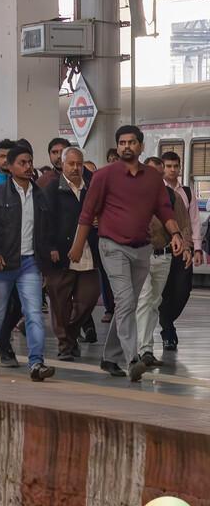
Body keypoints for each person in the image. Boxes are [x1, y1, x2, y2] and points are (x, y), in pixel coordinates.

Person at [69, 125, 182, 382]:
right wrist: (78, 245)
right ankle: (133, 359)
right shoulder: (104, 176)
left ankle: (110, 357)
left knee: (125, 306)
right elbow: (87, 213)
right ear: (117, 146)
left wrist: (176, 234)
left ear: (141, 146)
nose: (126, 146)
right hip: (112, 246)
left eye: (131, 142)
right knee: (126, 301)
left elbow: (164, 209)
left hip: (142, 249)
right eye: (122, 143)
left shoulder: (153, 179)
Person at [0, 144, 54, 381]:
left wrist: (47, 259)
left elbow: (45, 230)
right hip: (2, 264)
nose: (28, 166)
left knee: (33, 313)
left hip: (29, 263)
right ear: (9, 167)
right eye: (22, 162)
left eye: (30, 162)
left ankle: (36, 363)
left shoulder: (39, 195)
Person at [42, 145, 101, 361]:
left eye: (79, 164)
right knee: (59, 302)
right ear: (62, 165)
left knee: (89, 297)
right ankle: (65, 346)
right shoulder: (51, 190)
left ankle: (71, 333)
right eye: (71, 164)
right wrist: (50, 248)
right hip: (60, 255)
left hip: (89, 253)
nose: (76, 168)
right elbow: (44, 222)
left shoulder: (92, 188)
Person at [134, 155, 192, 367]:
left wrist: (186, 247)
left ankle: (145, 346)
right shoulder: (132, 194)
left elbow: (182, 223)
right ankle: (144, 348)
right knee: (145, 299)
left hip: (164, 255)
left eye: (159, 175)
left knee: (154, 303)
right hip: (141, 254)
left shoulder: (169, 195)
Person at [158, 151, 202, 352]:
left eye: (176, 166)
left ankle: (166, 320)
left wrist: (196, 248)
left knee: (183, 290)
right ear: (162, 167)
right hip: (163, 249)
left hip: (183, 249)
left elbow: (194, 221)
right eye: (168, 166)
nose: (173, 170)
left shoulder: (187, 192)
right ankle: (167, 331)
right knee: (165, 291)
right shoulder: (157, 190)